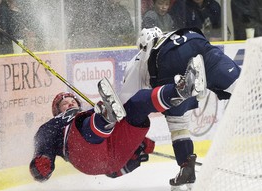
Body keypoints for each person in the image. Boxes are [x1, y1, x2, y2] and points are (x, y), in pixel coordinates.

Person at [119, 27, 241, 191]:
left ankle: (186, 168)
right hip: (199, 43)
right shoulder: (171, 35)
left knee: (177, 121)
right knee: (244, 87)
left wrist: (125, 133)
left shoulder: (138, 59)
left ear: (142, 46)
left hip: (169, 61)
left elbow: (126, 103)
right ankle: (191, 82)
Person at [29, 72, 206, 182]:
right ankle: (106, 119)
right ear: (57, 111)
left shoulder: (88, 111)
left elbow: (112, 174)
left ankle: (179, 91)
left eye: (71, 101)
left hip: (114, 159)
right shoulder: (57, 123)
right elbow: (43, 139)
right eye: (63, 104)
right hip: (86, 156)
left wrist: (138, 147)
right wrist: (43, 161)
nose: (68, 104)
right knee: (82, 124)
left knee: (136, 104)